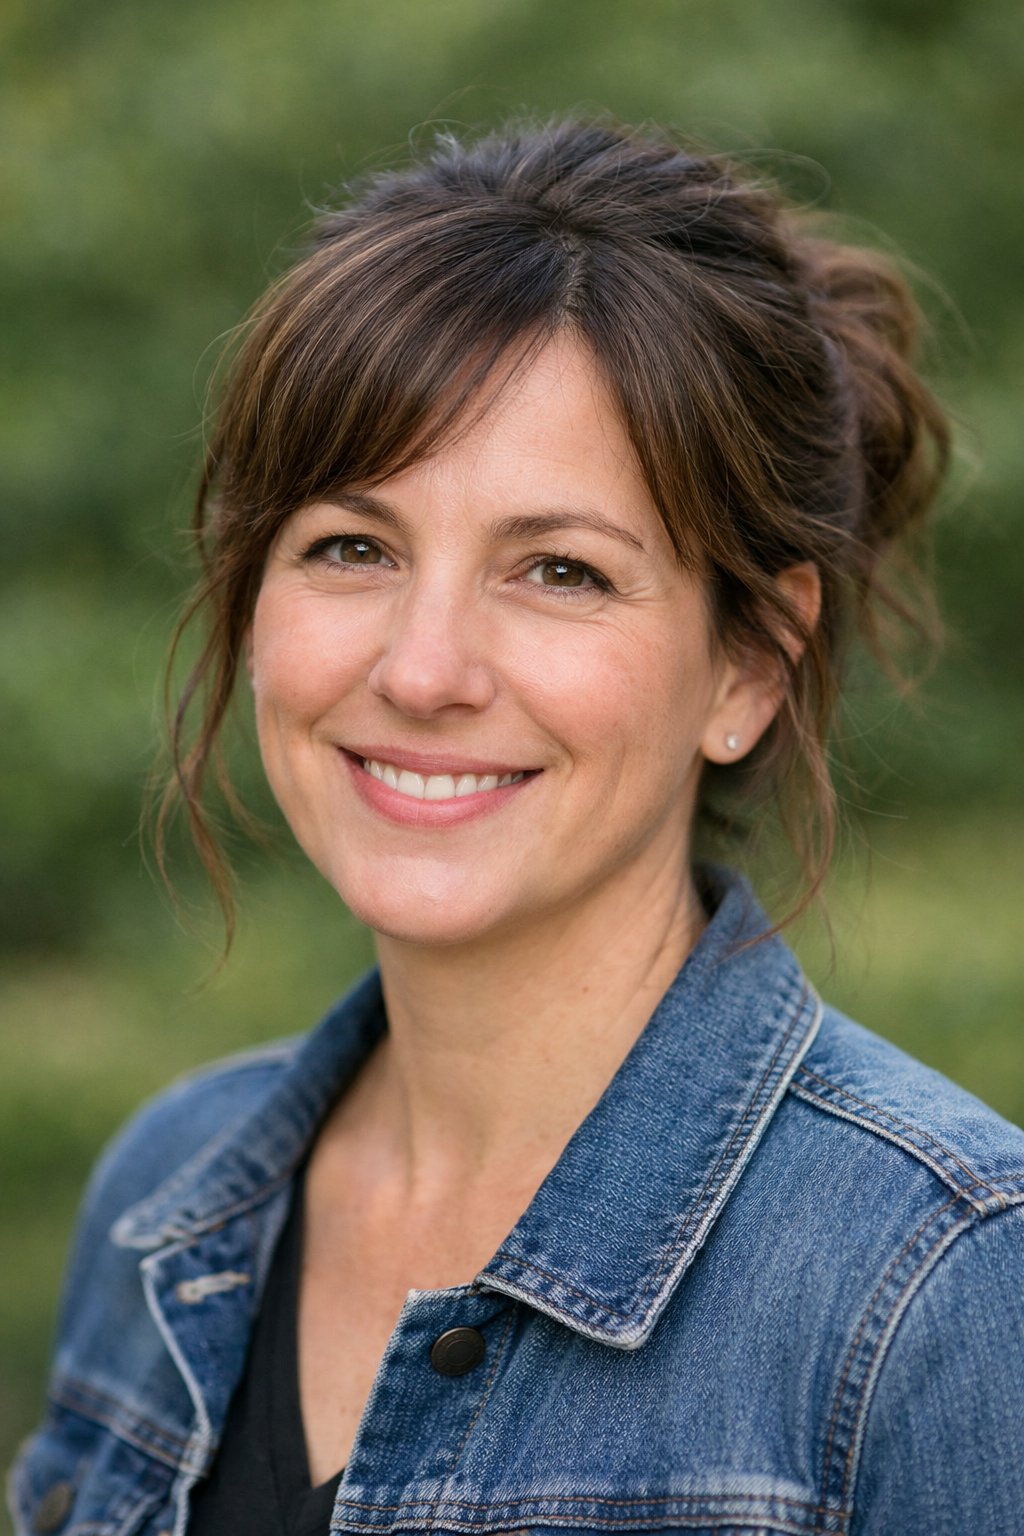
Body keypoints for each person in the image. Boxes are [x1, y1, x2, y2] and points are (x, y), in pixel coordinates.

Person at [10, 118, 1024, 1536]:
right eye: (351, 548)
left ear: (748, 665)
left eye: (559, 570)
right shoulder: (171, 1196)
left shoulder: (938, 1284)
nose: (424, 670)